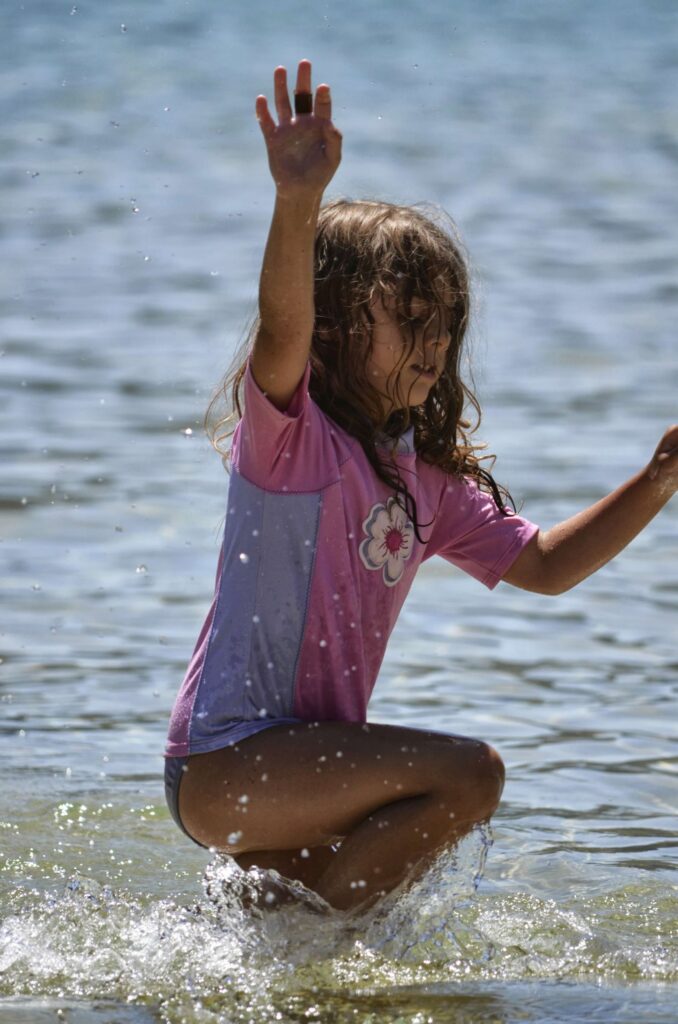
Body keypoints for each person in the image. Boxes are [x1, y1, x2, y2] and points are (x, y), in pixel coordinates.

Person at [164, 60, 678, 912]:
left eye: (446, 324)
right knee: (468, 775)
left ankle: (307, 951)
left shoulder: (424, 482)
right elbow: (283, 323)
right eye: (409, 319)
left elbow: (546, 566)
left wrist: (660, 477)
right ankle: (333, 949)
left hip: (304, 770)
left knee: (268, 944)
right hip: (229, 758)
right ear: (336, 323)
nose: (434, 344)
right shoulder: (289, 440)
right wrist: (297, 201)